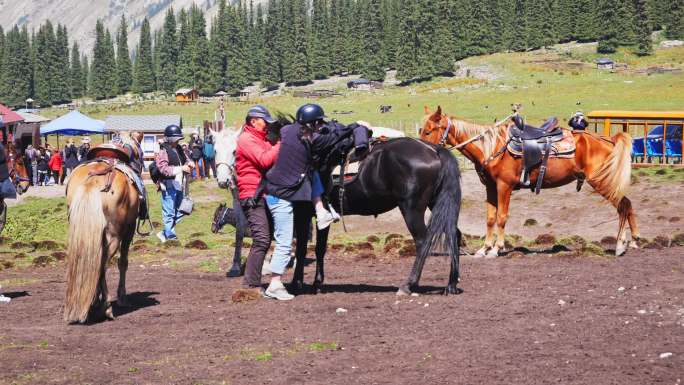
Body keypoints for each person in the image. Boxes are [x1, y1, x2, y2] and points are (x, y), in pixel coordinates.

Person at [261, 104, 357, 301]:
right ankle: (275, 284)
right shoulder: (311, 140)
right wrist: (355, 125)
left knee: (312, 175)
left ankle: (321, 209)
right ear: (313, 123)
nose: (320, 125)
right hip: (281, 195)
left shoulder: (287, 131)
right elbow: (331, 138)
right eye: (318, 122)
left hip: (275, 189)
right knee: (284, 243)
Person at [234, 105, 281, 296]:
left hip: (261, 193)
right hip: (252, 195)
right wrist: (281, 143)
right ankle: (250, 285)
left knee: (265, 238)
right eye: (265, 122)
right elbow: (264, 160)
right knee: (261, 238)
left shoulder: (259, 139)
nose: (267, 126)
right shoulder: (246, 139)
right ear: (253, 121)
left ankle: (253, 281)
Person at [155, 124, 194, 242]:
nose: (178, 141)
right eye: (176, 138)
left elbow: (186, 159)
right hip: (168, 184)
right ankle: (171, 237)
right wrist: (181, 168)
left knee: (184, 209)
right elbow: (163, 169)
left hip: (179, 184)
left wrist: (190, 162)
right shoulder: (163, 150)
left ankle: (164, 232)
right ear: (171, 138)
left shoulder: (178, 149)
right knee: (169, 213)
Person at [120, 130, 149, 220]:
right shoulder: (129, 145)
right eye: (138, 132)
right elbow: (125, 159)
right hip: (132, 171)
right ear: (132, 134)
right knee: (141, 192)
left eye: (141, 132)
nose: (140, 134)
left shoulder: (135, 144)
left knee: (142, 190)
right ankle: (142, 214)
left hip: (136, 171)